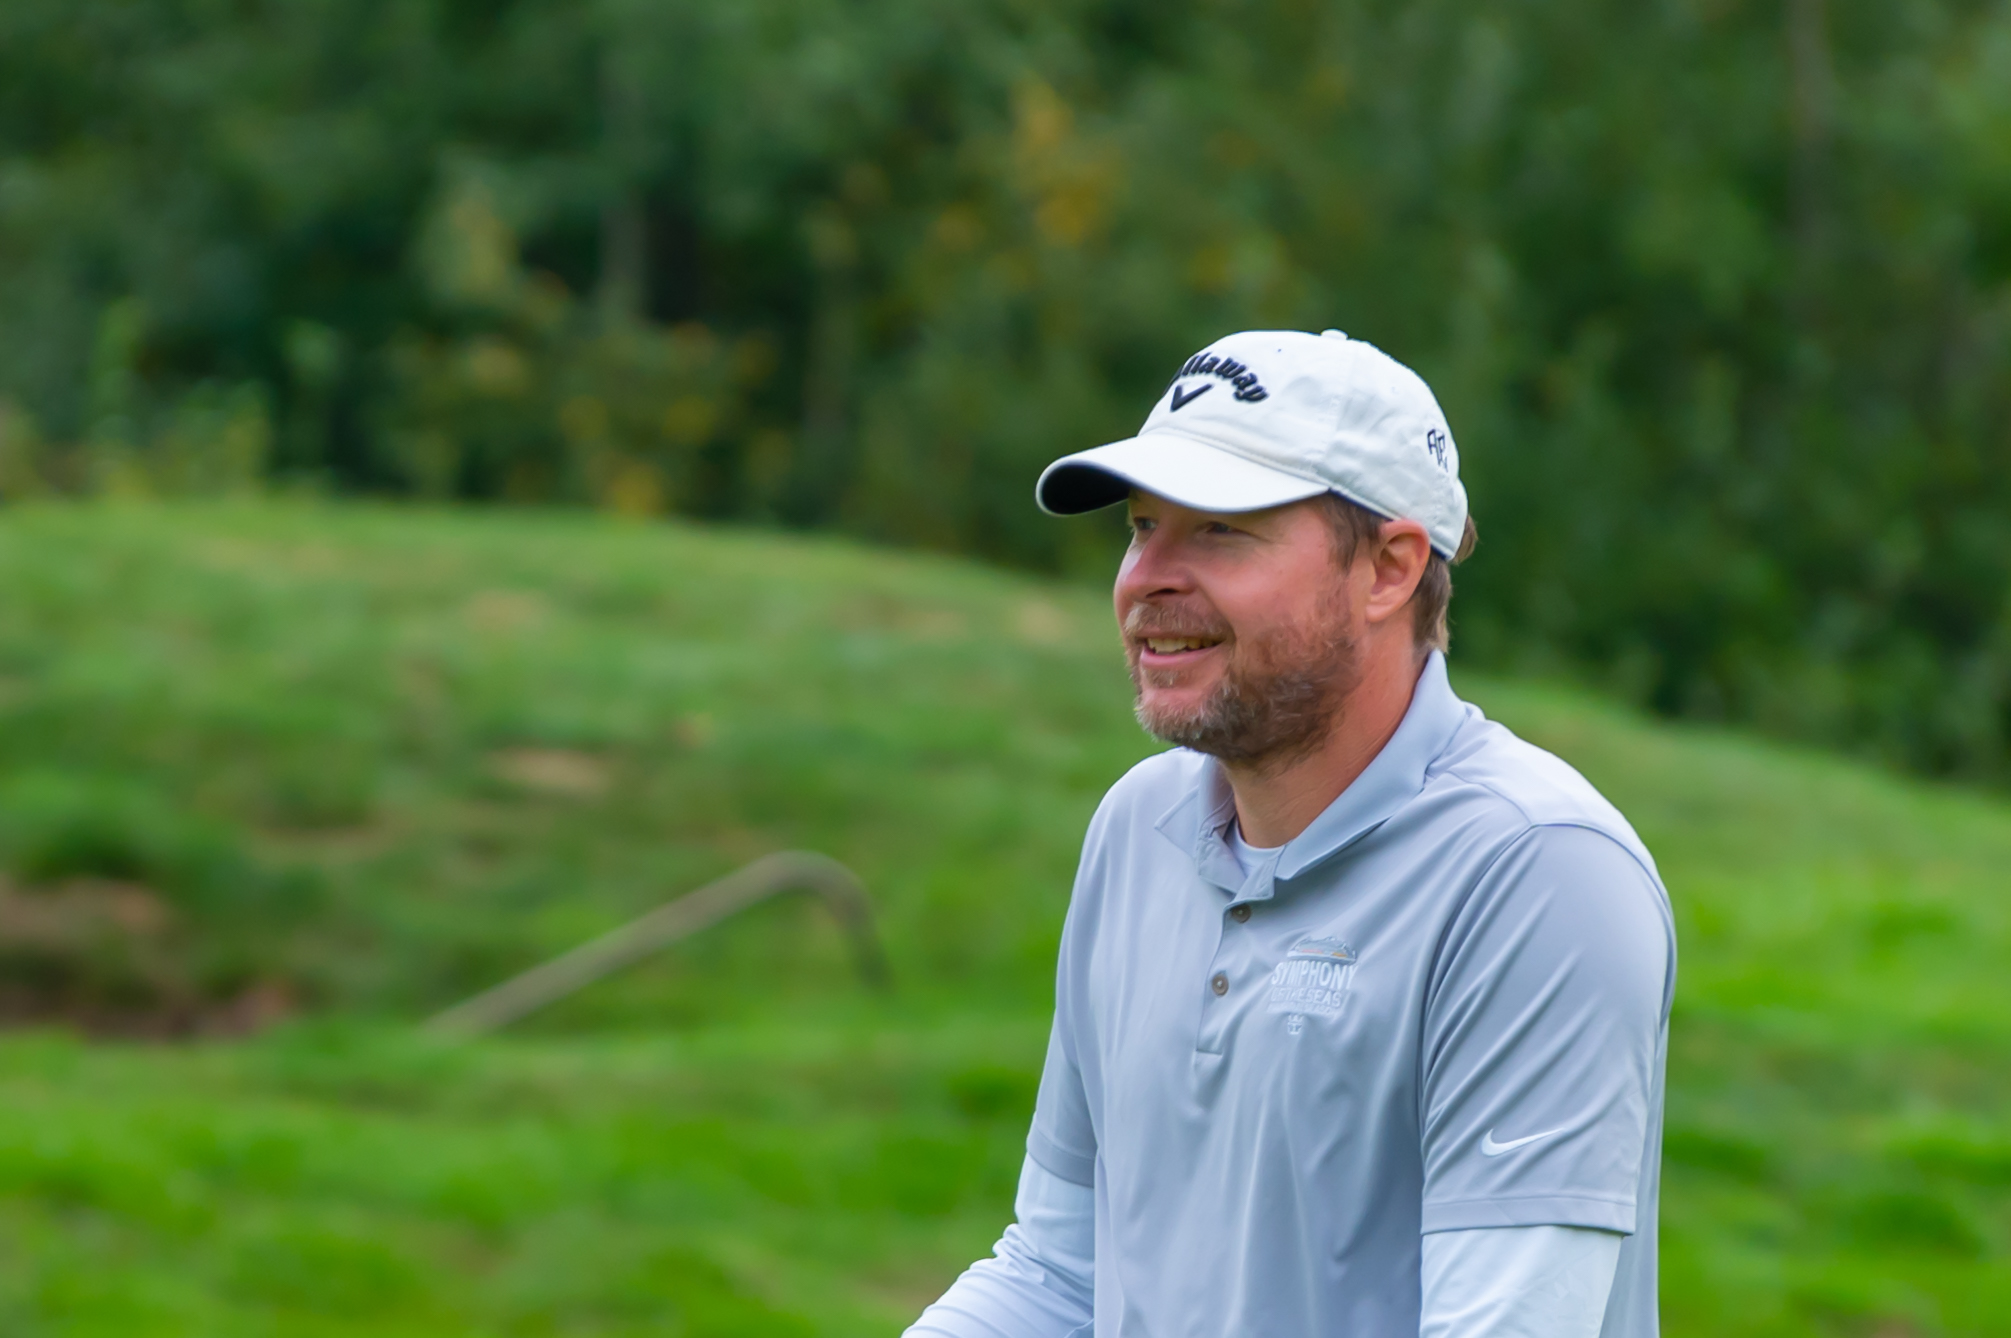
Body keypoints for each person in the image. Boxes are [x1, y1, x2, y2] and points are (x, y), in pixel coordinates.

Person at [905, 330, 1675, 1338]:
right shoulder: (1137, 829)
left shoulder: (1537, 872)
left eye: (1221, 531)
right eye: (1143, 527)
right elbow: (1058, 1276)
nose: (1147, 578)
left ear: (1389, 570)